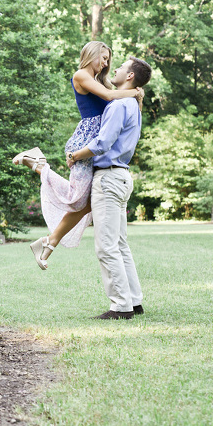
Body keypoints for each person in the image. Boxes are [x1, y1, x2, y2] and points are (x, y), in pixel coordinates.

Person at [12, 41, 143, 270]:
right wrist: (136, 92)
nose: (105, 63)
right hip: (85, 143)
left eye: (108, 60)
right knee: (76, 199)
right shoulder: (81, 75)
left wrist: (134, 99)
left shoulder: (101, 80)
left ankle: (49, 241)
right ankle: (36, 163)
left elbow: (122, 111)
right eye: (103, 58)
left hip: (96, 145)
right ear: (91, 54)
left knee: (89, 202)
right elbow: (111, 96)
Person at [66, 56, 152, 319]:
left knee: (106, 246)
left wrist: (75, 155)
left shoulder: (118, 105)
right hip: (122, 176)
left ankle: (120, 307)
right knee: (120, 244)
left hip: (109, 178)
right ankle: (134, 301)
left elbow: (102, 142)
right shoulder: (133, 105)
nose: (115, 69)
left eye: (121, 67)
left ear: (129, 77)